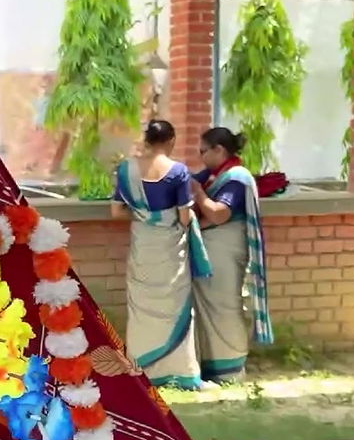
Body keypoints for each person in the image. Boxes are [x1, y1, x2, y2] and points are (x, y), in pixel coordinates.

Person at [111, 119, 210, 390]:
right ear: (171, 141)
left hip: (143, 245)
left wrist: (145, 216)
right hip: (170, 247)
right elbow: (184, 217)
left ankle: (141, 369)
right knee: (176, 306)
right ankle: (183, 373)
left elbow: (117, 212)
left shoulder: (125, 169)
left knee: (141, 308)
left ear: (146, 140)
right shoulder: (178, 171)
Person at [189, 127, 274, 383]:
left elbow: (218, 213)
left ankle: (231, 369)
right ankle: (212, 366)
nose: (201, 157)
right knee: (208, 307)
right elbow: (188, 180)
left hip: (226, 249)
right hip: (212, 249)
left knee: (225, 306)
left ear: (219, 150)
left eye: (204, 151)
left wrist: (199, 194)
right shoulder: (216, 174)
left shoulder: (236, 177)